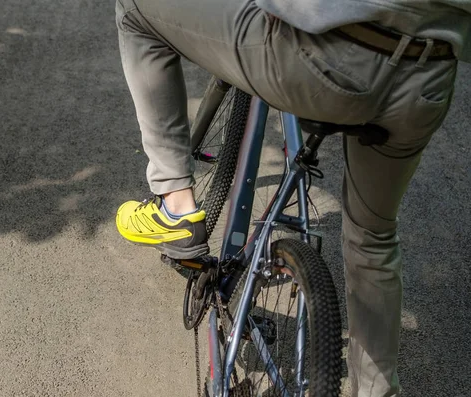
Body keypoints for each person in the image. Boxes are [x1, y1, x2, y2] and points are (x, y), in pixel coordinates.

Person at [113, 0, 469, 395]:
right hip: (430, 72)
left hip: (319, 55)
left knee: (133, 7)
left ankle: (175, 208)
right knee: (374, 236)